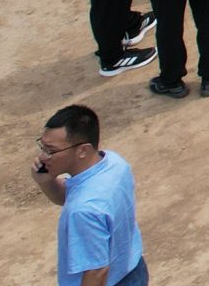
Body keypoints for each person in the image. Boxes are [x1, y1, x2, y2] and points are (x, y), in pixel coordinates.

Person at [34, 104, 147, 286]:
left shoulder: (83, 210)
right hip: (133, 269)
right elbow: (68, 196)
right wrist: (46, 181)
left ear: (82, 150)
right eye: (42, 147)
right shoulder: (114, 162)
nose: (43, 157)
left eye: (51, 150)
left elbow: (97, 272)